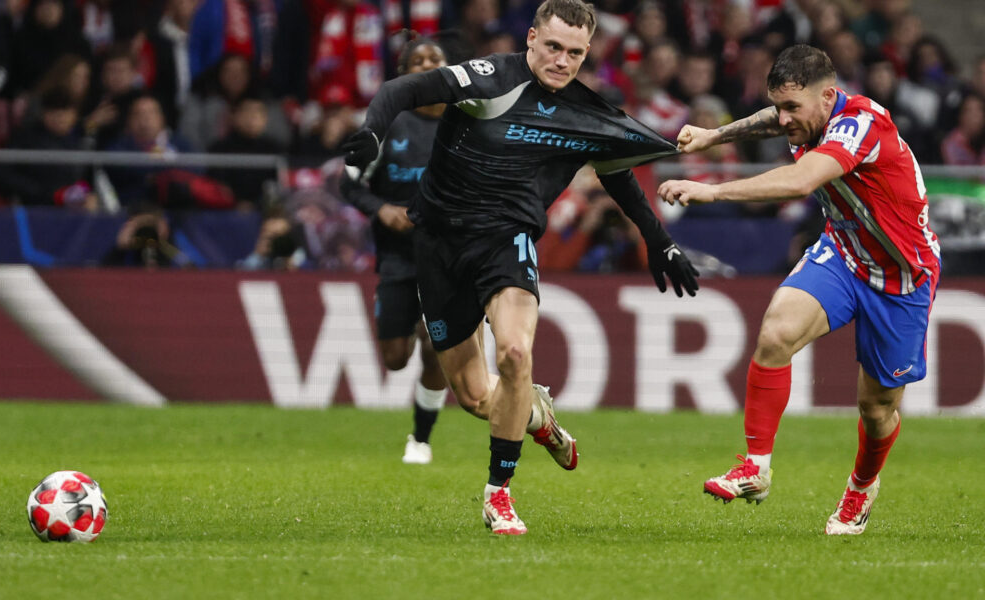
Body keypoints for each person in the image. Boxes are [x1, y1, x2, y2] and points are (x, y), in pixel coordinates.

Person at [343, 0, 699, 535]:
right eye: (553, 46)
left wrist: (658, 239)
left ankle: (499, 495)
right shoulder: (490, 77)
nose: (561, 61)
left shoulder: (585, 111)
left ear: (586, 54)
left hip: (507, 239)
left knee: (514, 352)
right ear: (531, 37)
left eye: (575, 53)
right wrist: (373, 130)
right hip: (437, 244)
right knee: (474, 396)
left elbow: (617, 171)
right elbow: (401, 91)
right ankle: (536, 416)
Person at [658, 44, 941, 535]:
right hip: (845, 253)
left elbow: (802, 181)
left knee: (877, 410)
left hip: (900, 276)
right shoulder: (809, 115)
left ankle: (860, 488)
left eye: (794, 107)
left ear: (829, 96)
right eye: (781, 105)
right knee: (776, 332)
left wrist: (713, 188)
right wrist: (712, 136)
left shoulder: (860, 125)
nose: (785, 118)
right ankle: (756, 466)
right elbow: (770, 117)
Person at [340, 37, 451, 466]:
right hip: (397, 257)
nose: (426, 65)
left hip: (447, 257)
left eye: (435, 59)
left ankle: (420, 439)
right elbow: (346, 183)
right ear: (403, 75)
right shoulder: (387, 125)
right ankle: (402, 319)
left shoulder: (466, 121)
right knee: (394, 360)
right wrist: (380, 208)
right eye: (417, 61)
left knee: (437, 344)